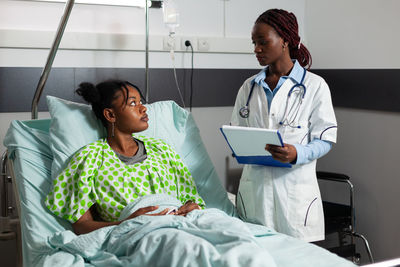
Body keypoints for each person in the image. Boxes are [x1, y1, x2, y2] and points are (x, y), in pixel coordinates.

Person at [45, 79, 205, 235]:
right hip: (141, 235)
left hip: (185, 225)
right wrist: (127, 224)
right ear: (110, 115)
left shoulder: (162, 149)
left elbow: (190, 198)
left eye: (141, 102)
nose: (143, 109)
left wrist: (192, 207)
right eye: (133, 103)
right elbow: (81, 226)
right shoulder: (90, 159)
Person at [230, 9, 337, 242]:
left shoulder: (315, 86)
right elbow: (236, 132)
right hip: (255, 197)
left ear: (285, 40)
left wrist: (298, 152)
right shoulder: (248, 88)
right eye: (254, 43)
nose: (256, 49)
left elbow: (326, 138)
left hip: (295, 199)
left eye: (263, 42)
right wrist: (239, 144)